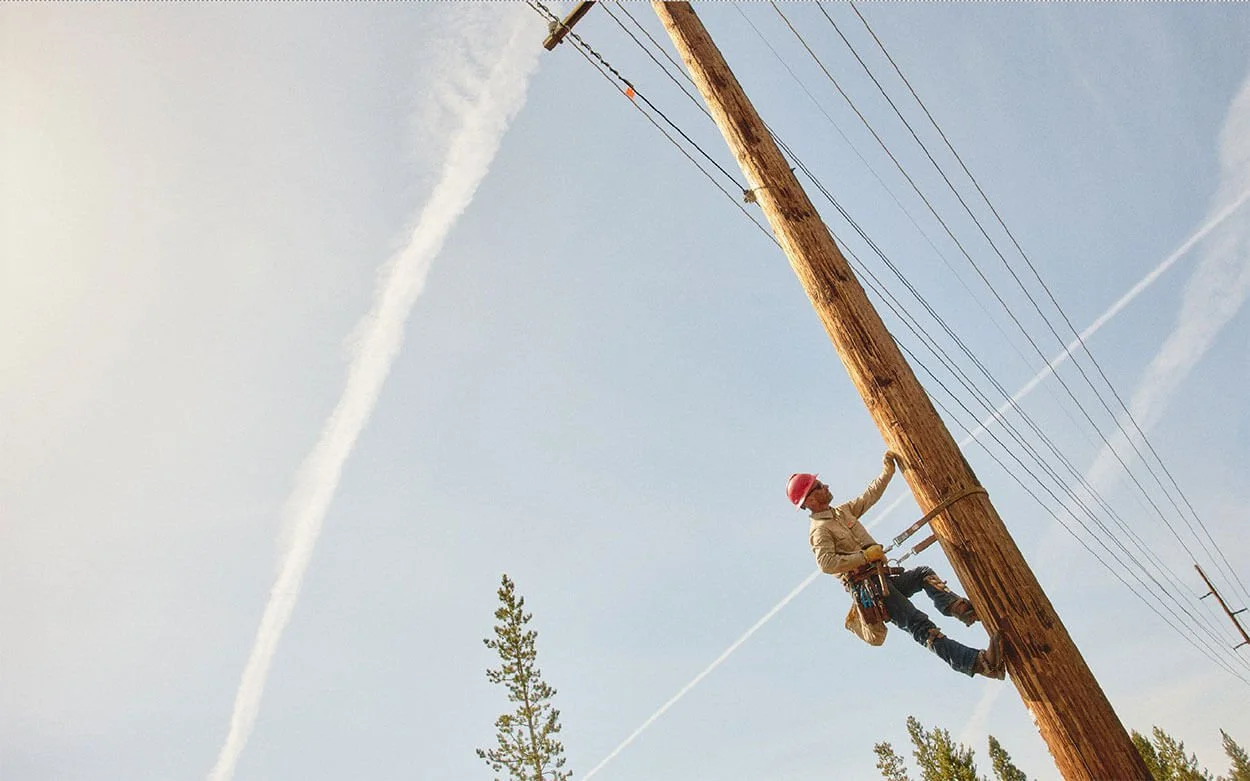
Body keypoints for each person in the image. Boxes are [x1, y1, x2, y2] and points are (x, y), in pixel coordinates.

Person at [787, 452, 1005, 679]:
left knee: (923, 574)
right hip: (870, 590)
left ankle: (962, 610)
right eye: (819, 485)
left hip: (883, 578)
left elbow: (870, 496)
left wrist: (887, 472)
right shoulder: (819, 530)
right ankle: (980, 663)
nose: (826, 486)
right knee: (918, 624)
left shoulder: (842, 512)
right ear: (810, 500)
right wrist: (865, 557)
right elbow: (826, 563)